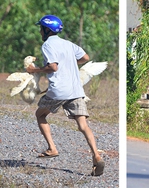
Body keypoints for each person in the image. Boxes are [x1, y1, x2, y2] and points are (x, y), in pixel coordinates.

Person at [26, 15, 105, 176]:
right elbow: (85, 58)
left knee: (40, 115)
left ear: (47, 30)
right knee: (83, 126)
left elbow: (53, 67)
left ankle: (52, 148)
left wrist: (34, 70)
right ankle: (96, 156)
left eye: (41, 28)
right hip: (75, 90)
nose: (40, 31)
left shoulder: (47, 45)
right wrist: (69, 63)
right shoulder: (68, 44)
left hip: (58, 90)